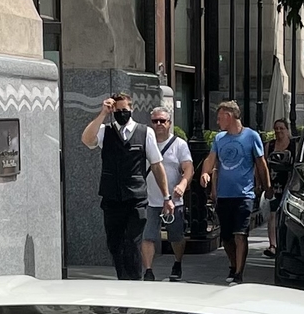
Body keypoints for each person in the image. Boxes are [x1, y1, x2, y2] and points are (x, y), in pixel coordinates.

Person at [81, 92, 170, 280]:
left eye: (125, 110)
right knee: (115, 244)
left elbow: (156, 164)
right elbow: (87, 139)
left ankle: (134, 282)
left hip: (135, 199)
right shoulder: (106, 131)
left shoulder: (145, 133)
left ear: (132, 109)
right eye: (118, 110)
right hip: (112, 198)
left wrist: (166, 196)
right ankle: (123, 280)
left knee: (132, 242)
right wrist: (103, 113)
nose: (121, 113)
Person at [197, 100, 268, 285]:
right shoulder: (220, 139)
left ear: (229, 117)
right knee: (226, 236)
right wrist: (205, 173)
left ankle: (239, 272)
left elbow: (261, 163)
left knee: (240, 233)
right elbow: (211, 159)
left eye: (220, 118)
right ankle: (233, 263)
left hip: (244, 194)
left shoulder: (251, 136)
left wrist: (267, 187)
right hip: (224, 195)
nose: (218, 122)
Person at [142, 106, 196, 280]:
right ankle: (148, 271)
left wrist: (182, 184)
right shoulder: (145, 142)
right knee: (148, 236)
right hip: (149, 200)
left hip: (174, 201)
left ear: (169, 123)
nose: (158, 124)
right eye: (155, 121)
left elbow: (188, 168)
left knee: (176, 237)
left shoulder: (179, 144)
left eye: (162, 121)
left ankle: (177, 262)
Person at [263, 116, 298, 253]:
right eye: (276, 129)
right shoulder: (270, 145)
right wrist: (263, 184)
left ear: (287, 130)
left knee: (288, 214)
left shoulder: (295, 145)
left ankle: (286, 243)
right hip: (273, 182)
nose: (278, 131)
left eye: (281, 128)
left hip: (289, 182)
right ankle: (273, 245)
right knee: (272, 214)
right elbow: (263, 165)